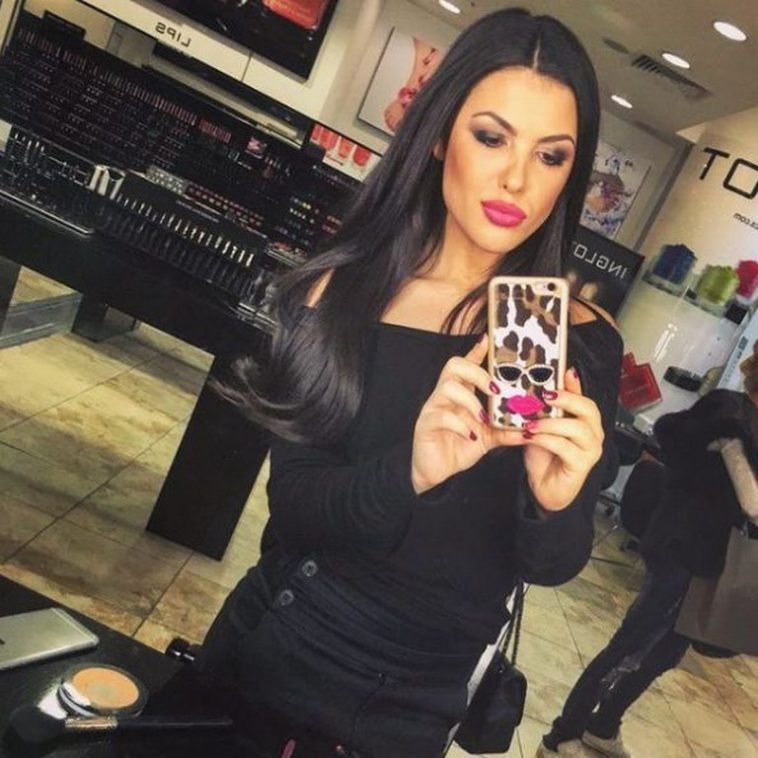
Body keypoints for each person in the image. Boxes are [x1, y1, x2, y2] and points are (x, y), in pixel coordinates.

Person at [196, 9, 622, 758]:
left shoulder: (580, 342)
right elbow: (295, 508)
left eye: (551, 155)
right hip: (275, 642)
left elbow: (552, 566)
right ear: (438, 135)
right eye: (491, 137)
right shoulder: (338, 293)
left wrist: (555, 503)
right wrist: (413, 470)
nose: (517, 179)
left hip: (412, 704)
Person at [538, 344, 758, 758]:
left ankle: (603, 726)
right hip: (683, 547)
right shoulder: (729, 414)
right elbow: (751, 502)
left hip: (708, 558)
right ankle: (562, 736)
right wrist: (730, 448)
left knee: (664, 655)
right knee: (631, 647)